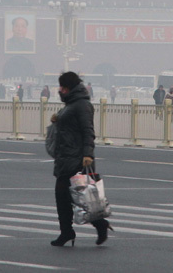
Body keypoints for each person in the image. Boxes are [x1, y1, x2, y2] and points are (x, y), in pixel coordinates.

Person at [49, 70, 112, 247]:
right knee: (69, 196)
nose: (60, 90)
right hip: (65, 157)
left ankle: (80, 228)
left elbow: (88, 131)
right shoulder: (71, 104)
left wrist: (87, 154)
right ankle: (72, 230)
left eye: (62, 87)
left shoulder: (82, 105)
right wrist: (57, 120)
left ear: (69, 88)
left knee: (78, 196)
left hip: (77, 158)